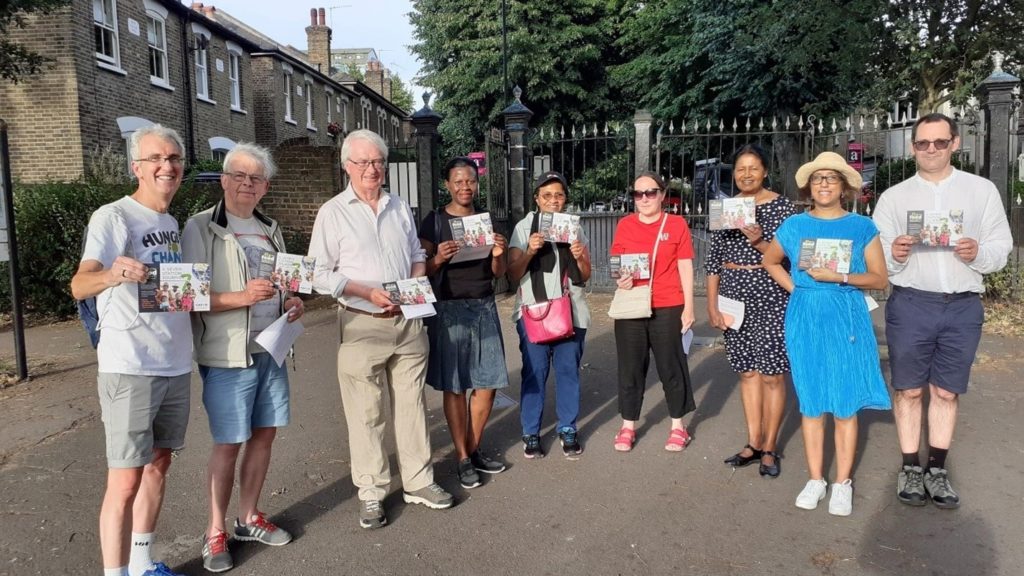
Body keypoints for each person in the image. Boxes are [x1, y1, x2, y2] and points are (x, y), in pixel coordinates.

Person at [309, 130, 453, 529]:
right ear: (346, 167)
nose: (372, 169)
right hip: (361, 322)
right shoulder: (332, 212)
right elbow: (318, 274)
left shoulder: (399, 206)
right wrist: (364, 292)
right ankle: (372, 493)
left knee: (412, 408)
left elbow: (414, 255)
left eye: (377, 162)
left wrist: (415, 282)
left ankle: (419, 481)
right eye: (363, 162)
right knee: (366, 415)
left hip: (408, 322)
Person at [872, 113, 1012, 509]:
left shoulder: (980, 191)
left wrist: (978, 253)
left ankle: (937, 466)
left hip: (962, 304)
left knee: (947, 391)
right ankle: (910, 466)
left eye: (939, 142)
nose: (930, 149)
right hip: (912, 301)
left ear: (954, 143)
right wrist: (895, 254)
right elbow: (877, 255)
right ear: (914, 146)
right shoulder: (894, 198)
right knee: (910, 389)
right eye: (922, 143)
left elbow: (1001, 244)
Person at [70, 124, 192, 576]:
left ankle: (143, 564)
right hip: (131, 366)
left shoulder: (170, 223)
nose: (168, 166)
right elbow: (79, 283)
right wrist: (114, 274)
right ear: (136, 167)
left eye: (174, 158)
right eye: (157, 159)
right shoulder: (113, 217)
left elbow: (172, 293)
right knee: (123, 481)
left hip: (174, 363)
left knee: (159, 465)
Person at [182, 143, 304, 572]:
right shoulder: (200, 227)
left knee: (265, 435)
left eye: (255, 178)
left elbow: (285, 282)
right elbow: (184, 295)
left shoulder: (270, 227)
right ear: (224, 179)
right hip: (228, 354)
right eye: (239, 175)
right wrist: (240, 297)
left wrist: (292, 301)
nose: (247, 184)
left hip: (272, 346)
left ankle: (249, 516)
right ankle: (215, 530)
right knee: (229, 442)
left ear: (265, 187)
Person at [762, 151, 892, 516]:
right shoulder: (794, 226)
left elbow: (880, 278)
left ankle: (842, 483)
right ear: (809, 185)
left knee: (845, 402)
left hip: (846, 314)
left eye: (831, 178)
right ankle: (816, 478)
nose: (823, 184)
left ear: (844, 187)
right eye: (818, 178)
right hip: (805, 315)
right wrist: (797, 288)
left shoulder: (861, 227)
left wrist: (841, 277)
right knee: (812, 400)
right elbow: (770, 260)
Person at [419, 157, 510, 489]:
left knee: (487, 383)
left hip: (484, 304)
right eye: (458, 182)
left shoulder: (484, 220)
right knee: (456, 385)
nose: (465, 187)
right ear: (447, 185)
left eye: (470, 181)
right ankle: (461, 456)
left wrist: (498, 254)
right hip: (449, 308)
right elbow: (421, 270)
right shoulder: (434, 221)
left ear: (477, 182)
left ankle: (472, 450)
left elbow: (499, 275)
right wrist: (439, 257)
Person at [706, 145, 795, 477]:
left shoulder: (783, 208)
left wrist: (758, 241)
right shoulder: (727, 209)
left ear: (765, 171)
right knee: (747, 372)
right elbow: (714, 260)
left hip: (771, 296)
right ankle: (753, 441)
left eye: (753, 168)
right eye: (740, 169)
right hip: (733, 296)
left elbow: (788, 259)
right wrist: (712, 305)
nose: (746, 174)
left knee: (772, 374)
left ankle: (770, 446)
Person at [609, 172, 697, 453]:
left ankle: (678, 426)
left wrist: (689, 307)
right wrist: (620, 278)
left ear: (661, 195)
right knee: (630, 367)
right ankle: (627, 425)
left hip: (668, 304)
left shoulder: (677, 224)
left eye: (650, 192)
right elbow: (617, 265)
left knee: (671, 366)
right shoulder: (625, 225)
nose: (644, 198)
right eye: (638, 194)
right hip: (632, 304)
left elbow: (685, 265)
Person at [507, 172, 593, 459]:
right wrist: (530, 251)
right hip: (535, 312)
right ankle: (531, 431)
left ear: (565, 198)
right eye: (547, 195)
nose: (553, 200)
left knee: (568, 371)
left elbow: (586, 275)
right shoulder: (524, 227)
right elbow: (513, 273)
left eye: (558, 195)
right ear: (537, 199)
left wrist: (580, 255)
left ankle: (567, 427)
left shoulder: (574, 227)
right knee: (535, 372)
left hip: (571, 312)